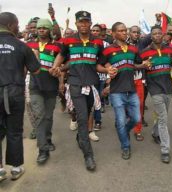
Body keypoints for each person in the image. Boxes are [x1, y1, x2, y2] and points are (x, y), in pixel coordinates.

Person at [50, 11, 104, 171]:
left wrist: (109, 70)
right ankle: (88, 155)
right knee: (81, 117)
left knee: (87, 113)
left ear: (90, 23)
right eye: (81, 22)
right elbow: (61, 55)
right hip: (75, 83)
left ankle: (80, 137)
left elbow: (100, 63)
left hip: (91, 84)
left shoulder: (98, 42)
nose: (84, 24)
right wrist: (55, 66)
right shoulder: (68, 40)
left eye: (87, 21)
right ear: (76, 24)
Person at [0, 12, 40, 181]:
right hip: (14, 92)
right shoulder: (21, 45)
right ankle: (16, 168)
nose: (18, 27)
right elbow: (36, 70)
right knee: (14, 131)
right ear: (11, 25)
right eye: (17, 24)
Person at [100, 22, 145, 160]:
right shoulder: (107, 51)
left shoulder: (133, 49)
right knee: (120, 121)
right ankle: (125, 146)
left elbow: (136, 64)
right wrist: (108, 68)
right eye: (121, 31)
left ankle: (124, 131)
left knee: (137, 118)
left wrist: (143, 65)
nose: (124, 33)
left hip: (131, 90)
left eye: (125, 30)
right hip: (116, 91)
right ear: (113, 33)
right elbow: (100, 63)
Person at [26, 18, 61, 164]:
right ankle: (43, 149)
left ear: (49, 30)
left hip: (51, 87)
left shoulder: (57, 47)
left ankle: (47, 138)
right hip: (35, 87)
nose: (41, 30)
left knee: (48, 117)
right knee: (39, 116)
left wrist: (59, 70)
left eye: (44, 28)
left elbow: (64, 65)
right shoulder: (29, 45)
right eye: (39, 28)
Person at [140, 26, 172, 163]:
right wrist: (143, 66)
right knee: (164, 119)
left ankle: (155, 132)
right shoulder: (144, 52)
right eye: (154, 34)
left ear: (163, 35)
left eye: (159, 33)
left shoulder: (170, 50)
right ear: (151, 36)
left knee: (162, 115)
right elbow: (140, 66)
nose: (157, 36)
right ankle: (165, 150)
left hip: (168, 87)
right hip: (154, 88)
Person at [127, 25, 145, 141]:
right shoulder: (120, 44)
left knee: (140, 104)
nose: (136, 34)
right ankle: (125, 125)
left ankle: (138, 130)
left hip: (138, 78)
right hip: (123, 79)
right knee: (124, 105)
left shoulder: (142, 44)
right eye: (134, 32)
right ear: (129, 33)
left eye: (138, 32)